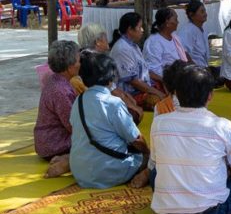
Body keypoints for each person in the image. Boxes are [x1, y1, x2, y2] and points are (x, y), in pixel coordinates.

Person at [150, 65, 231, 214]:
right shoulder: (222, 125)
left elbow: (155, 162)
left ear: (175, 94)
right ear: (210, 96)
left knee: (156, 170)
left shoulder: (159, 122)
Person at [69, 52, 150, 189]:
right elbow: (136, 139)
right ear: (111, 77)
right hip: (108, 171)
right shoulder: (113, 103)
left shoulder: (79, 100)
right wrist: (147, 152)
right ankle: (145, 174)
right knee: (155, 158)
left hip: (79, 172)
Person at [74, 23, 143, 124]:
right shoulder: (96, 61)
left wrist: (126, 96)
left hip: (91, 103)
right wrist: (133, 106)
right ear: (97, 42)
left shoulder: (84, 55)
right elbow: (111, 90)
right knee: (133, 114)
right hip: (97, 106)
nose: (108, 40)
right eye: (105, 38)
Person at [34, 40, 80, 178]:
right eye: (78, 60)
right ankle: (68, 161)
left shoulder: (57, 80)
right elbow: (74, 126)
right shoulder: (60, 90)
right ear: (70, 67)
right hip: (53, 145)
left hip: (48, 141)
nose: (80, 64)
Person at [110, 12, 165, 110]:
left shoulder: (133, 46)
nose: (142, 30)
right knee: (157, 99)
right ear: (130, 30)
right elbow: (133, 81)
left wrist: (163, 80)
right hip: (131, 94)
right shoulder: (122, 49)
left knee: (169, 86)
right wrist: (156, 92)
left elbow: (145, 70)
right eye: (140, 27)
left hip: (142, 87)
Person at [143, 8, 188, 87]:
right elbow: (153, 70)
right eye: (176, 19)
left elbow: (184, 55)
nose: (178, 22)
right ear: (167, 22)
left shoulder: (175, 37)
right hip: (166, 84)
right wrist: (171, 82)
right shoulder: (154, 42)